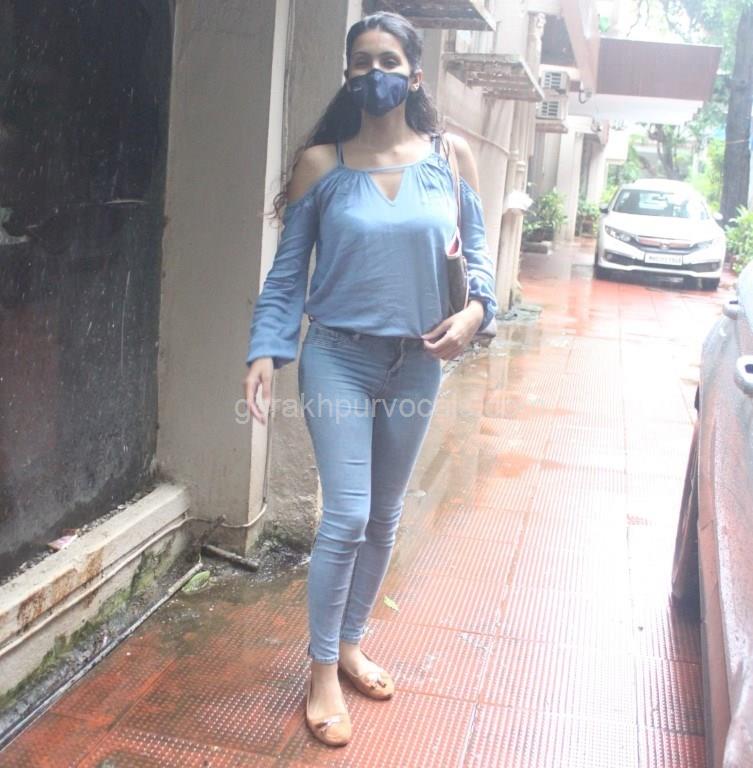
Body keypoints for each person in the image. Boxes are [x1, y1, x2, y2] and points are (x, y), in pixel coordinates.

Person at [244, 11, 497, 747]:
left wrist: (475, 313)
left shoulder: (450, 157)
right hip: (338, 358)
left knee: (385, 516)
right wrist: (265, 349)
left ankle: (351, 642)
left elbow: (478, 257)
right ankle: (321, 669)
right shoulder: (322, 165)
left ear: (414, 75)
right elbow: (288, 274)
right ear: (348, 73)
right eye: (362, 61)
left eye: (389, 60)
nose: (374, 72)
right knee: (347, 516)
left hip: (418, 360)